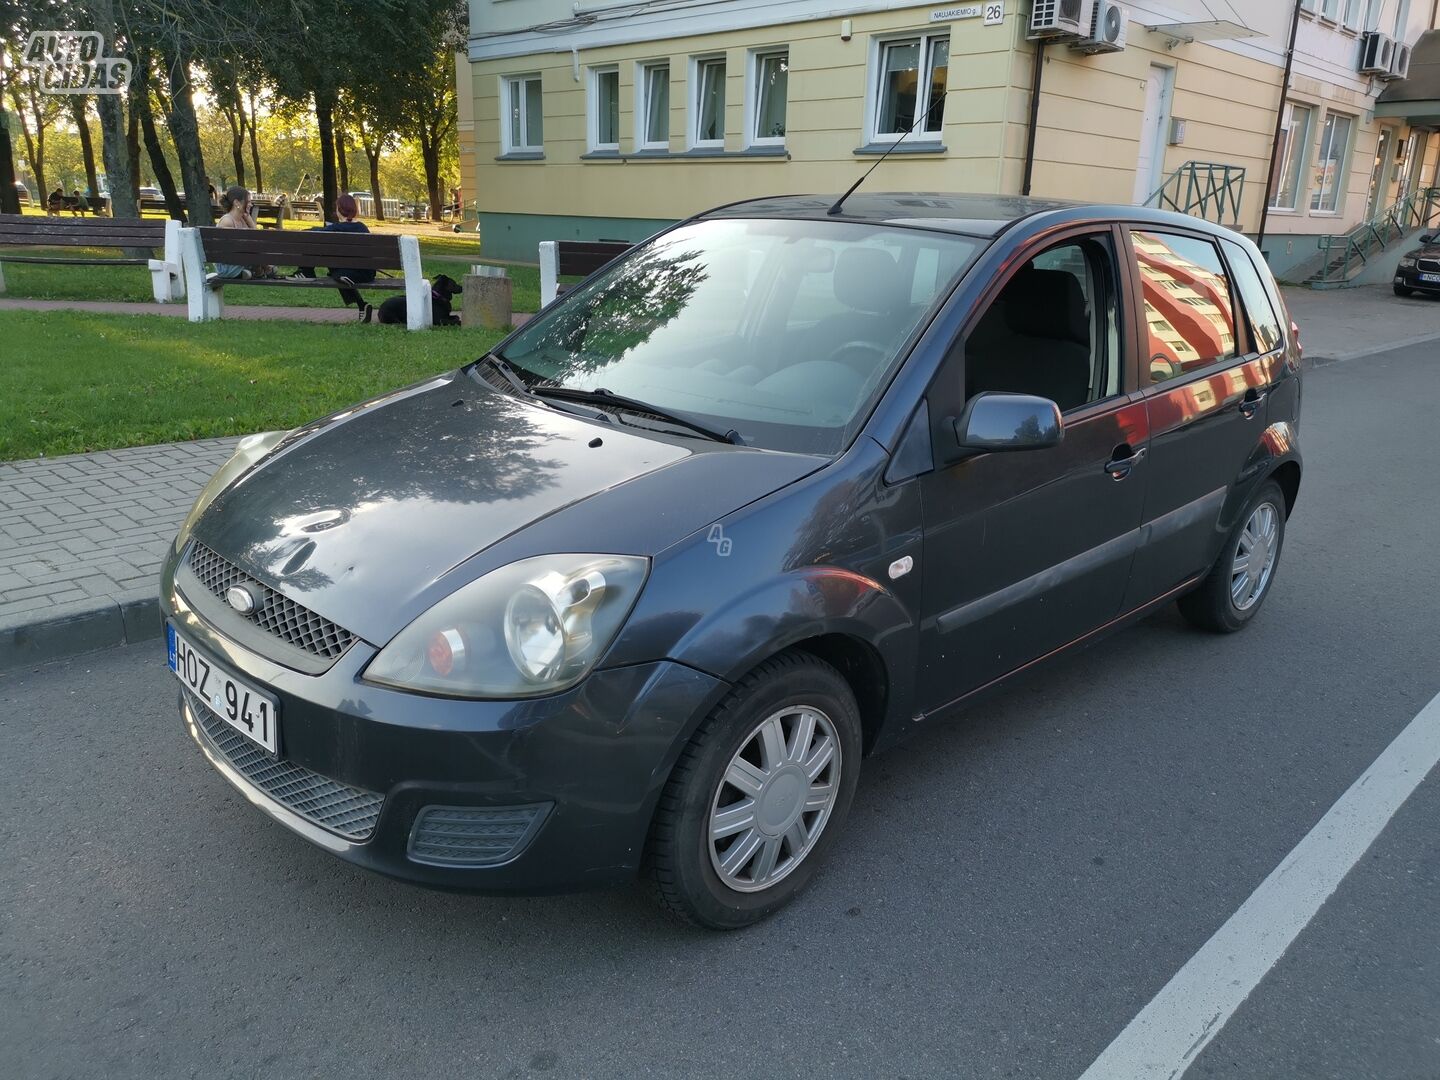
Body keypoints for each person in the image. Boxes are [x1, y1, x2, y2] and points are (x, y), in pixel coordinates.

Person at [289, 193, 377, 321]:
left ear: (339, 210)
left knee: (327, 258)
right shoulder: (363, 228)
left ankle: (306, 271)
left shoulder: (335, 228)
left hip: (349, 273)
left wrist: (309, 229)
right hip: (367, 273)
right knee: (337, 272)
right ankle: (361, 305)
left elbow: (312, 234)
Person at [212, 185, 271, 280]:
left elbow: (257, 238)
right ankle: (259, 270)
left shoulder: (243, 220)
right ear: (237, 203)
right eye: (248, 201)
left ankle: (253, 271)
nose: (251, 205)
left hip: (240, 261)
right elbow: (232, 250)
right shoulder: (227, 221)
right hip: (227, 267)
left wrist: (249, 219)